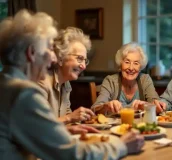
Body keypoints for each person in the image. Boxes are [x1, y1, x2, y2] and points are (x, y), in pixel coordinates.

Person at [0, 9, 144, 160]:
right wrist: (121, 145)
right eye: (49, 49)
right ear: (32, 53)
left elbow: (35, 133)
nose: (54, 57)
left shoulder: (7, 84)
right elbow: (72, 155)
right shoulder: (23, 94)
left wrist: (64, 131)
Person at [37, 27, 95, 125]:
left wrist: (77, 119)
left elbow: (66, 118)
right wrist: (70, 117)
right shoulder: (42, 83)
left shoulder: (66, 84)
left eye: (85, 61)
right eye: (79, 59)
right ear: (60, 57)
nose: (84, 66)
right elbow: (39, 125)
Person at [92, 42, 161, 114]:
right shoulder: (110, 81)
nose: (131, 68)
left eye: (136, 63)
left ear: (140, 66)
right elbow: (95, 109)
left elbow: (157, 106)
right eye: (127, 62)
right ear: (120, 63)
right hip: (115, 125)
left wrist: (145, 105)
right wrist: (106, 106)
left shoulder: (145, 80)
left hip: (140, 124)